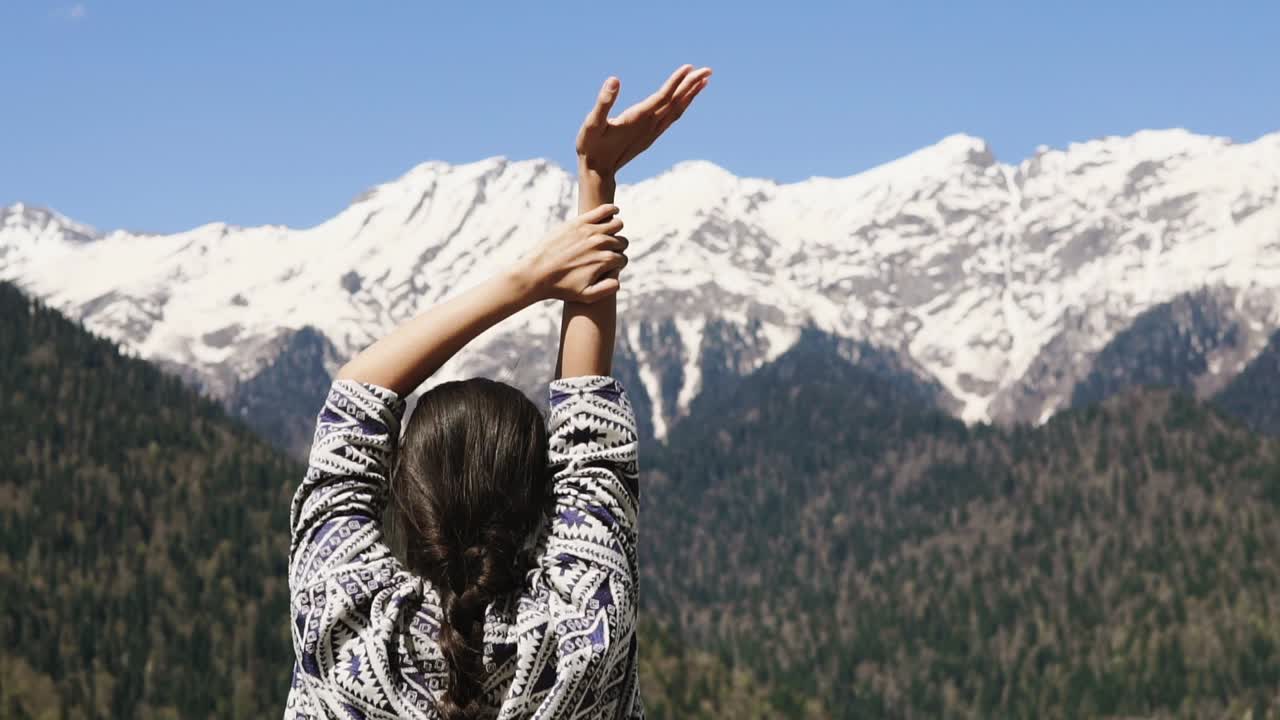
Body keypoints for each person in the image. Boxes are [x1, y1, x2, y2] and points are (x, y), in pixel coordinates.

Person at [285, 64, 712, 720]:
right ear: (546, 494)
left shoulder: (344, 629)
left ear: (402, 493)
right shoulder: (581, 637)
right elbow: (591, 434)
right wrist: (596, 185)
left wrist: (523, 280)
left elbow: (355, 399)